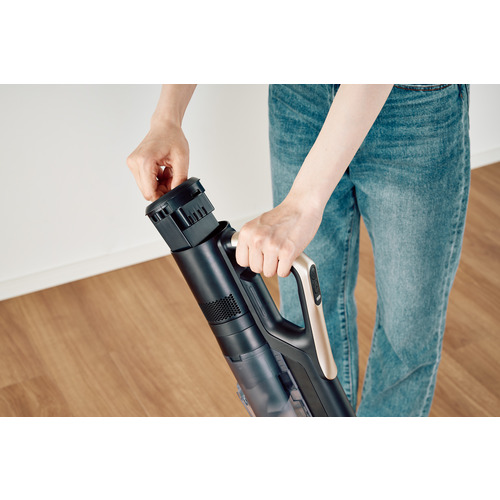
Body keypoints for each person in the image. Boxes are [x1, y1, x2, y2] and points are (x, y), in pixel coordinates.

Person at [127, 84, 470, 416]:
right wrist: (167, 119)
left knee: (406, 330)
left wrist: (304, 203)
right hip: (301, 98)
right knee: (306, 326)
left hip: (411, 108)